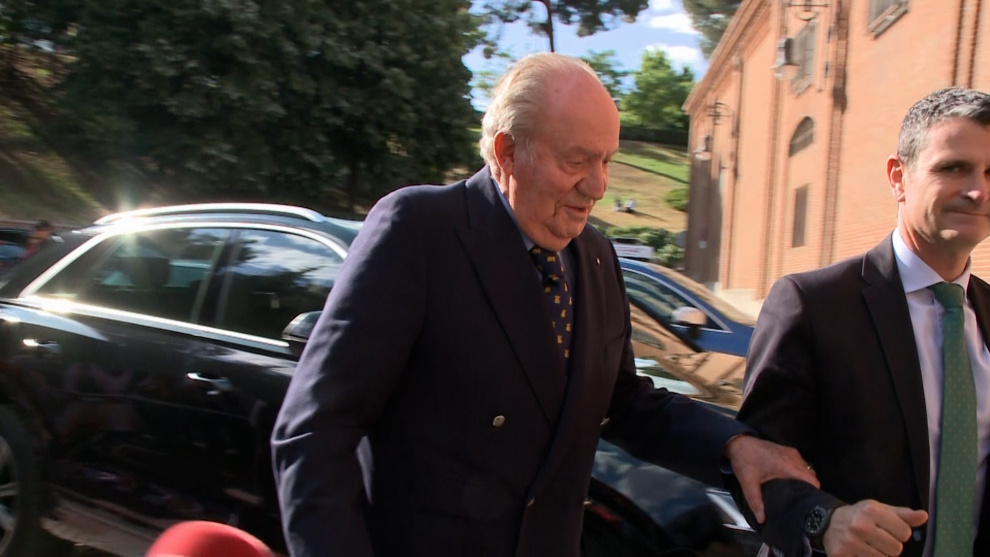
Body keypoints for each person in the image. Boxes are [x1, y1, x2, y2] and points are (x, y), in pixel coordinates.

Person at [271, 52, 816, 557]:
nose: (597, 186)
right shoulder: (420, 231)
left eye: (607, 160)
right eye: (577, 160)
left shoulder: (597, 257)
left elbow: (624, 402)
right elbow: (315, 433)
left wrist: (733, 444)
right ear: (508, 152)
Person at [737, 87, 990, 557]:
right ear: (898, 177)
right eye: (953, 168)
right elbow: (755, 469)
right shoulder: (811, 306)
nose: (978, 191)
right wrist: (824, 522)